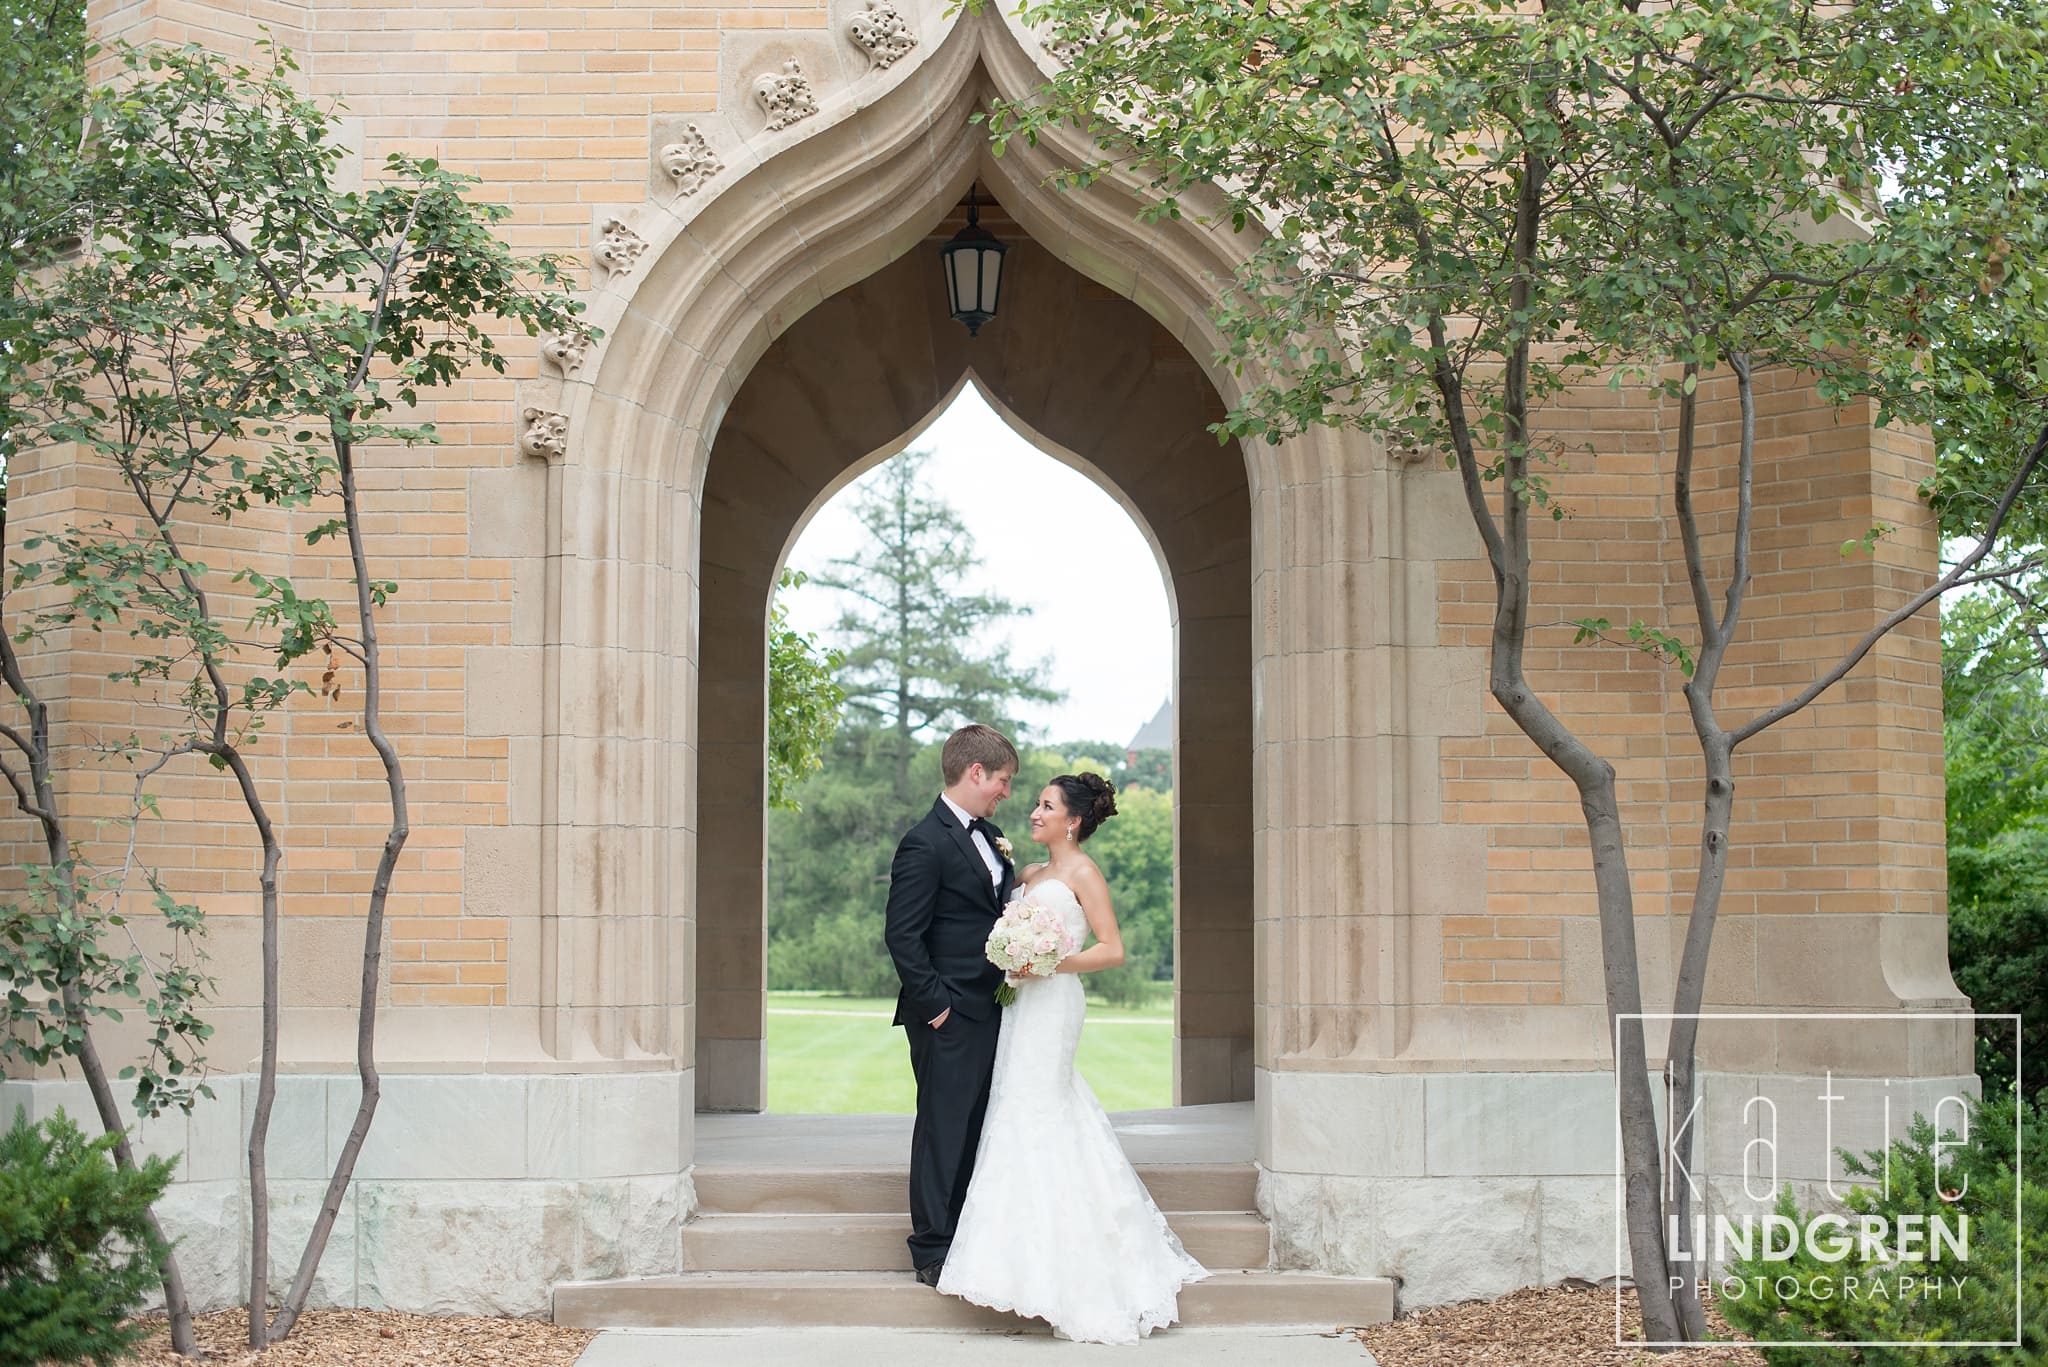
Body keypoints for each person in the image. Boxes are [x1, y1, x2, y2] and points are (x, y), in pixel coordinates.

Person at [936, 771, 1209, 1343]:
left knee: (1040, 1107)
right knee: (1014, 1108)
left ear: (1074, 820)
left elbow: (1111, 949)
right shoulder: (1030, 874)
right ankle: (1021, 1267)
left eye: (1046, 805)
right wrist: (1014, 956)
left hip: (1054, 1002)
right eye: (1035, 803)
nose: (1034, 812)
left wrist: (1049, 962)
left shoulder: (1084, 873)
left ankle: (1076, 1275)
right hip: (1019, 1004)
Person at [883, 723, 1019, 1287]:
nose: (1006, 793)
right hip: (947, 1014)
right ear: (976, 772)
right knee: (942, 1129)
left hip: (990, 1008)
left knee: (974, 1127)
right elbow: (902, 936)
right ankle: (931, 1248)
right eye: (1004, 781)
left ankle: (965, 1236)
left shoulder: (990, 836)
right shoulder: (925, 840)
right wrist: (937, 1008)